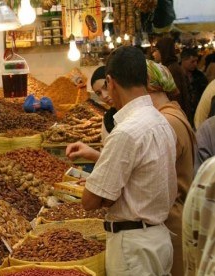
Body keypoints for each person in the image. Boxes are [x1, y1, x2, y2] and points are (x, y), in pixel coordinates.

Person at [66, 46, 177, 275]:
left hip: (133, 247)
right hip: (158, 239)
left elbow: (90, 200)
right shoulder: (160, 120)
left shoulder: (126, 132)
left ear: (110, 81)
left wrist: (107, 196)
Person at [146, 59, 196, 276]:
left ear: (149, 88)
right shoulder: (173, 113)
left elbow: (150, 174)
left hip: (172, 221)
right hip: (176, 215)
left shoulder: (166, 121)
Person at [153, 37, 189, 117]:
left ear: (163, 51)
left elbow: (176, 96)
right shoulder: (170, 66)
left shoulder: (172, 69)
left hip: (176, 113)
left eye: (156, 50)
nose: (153, 54)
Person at [180, 48, 208, 127]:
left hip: (198, 113)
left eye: (196, 61)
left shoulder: (200, 76)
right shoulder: (177, 75)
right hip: (183, 113)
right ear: (183, 60)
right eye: (192, 61)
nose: (195, 64)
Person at [90, 65, 117, 140]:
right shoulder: (107, 120)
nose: (104, 96)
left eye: (105, 87)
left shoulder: (135, 113)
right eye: (98, 93)